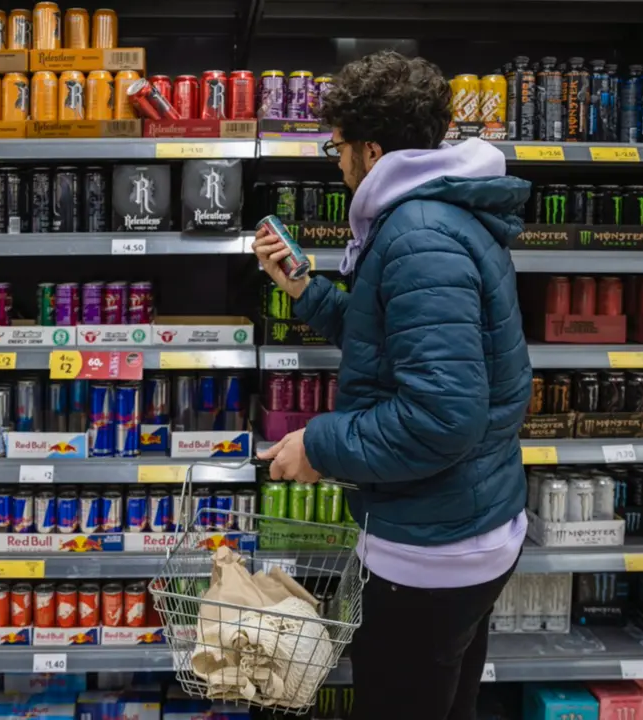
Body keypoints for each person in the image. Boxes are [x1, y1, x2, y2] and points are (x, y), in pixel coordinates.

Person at [254, 50, 532, 720]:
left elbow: (440, 416)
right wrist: (304, 288)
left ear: (370, 149)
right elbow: (395, 336)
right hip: (460, 526)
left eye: (338, 146)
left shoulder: (416, 235)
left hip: (435, 551)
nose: (336, 161)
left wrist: (317, 445)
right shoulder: (433, 216)